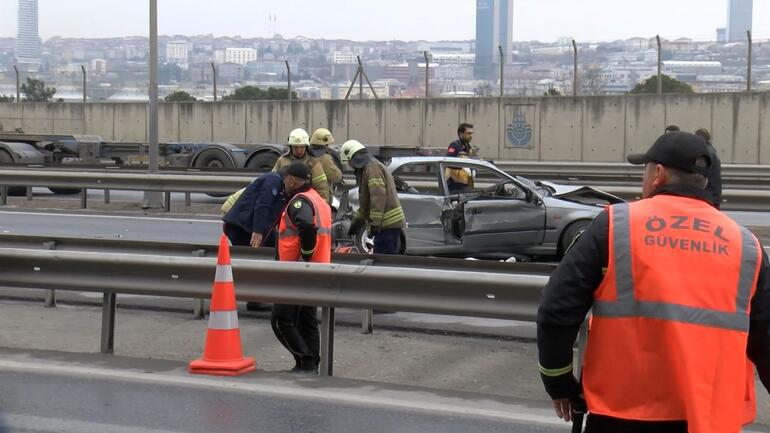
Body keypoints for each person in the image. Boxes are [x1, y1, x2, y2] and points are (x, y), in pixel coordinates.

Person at [537, 131, 770, 433]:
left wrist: (560, 383)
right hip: (711, 419)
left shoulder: (616, 225)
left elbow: (556, 309)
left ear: (657, 174)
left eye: (645, 169)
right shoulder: (746, 246)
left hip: (622, 414)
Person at [271, 161, 332, 374]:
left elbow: (306, 226)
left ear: (292, 180)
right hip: (316, 270)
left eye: (285, 179)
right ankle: (310, 364)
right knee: (307, 320)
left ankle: (305, 360)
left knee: (280, 320)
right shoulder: (319, 199)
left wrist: (305, 256)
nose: (284, 183)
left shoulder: (299, 202)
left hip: (296, 271)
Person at [339, 139, 406, 255]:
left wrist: (375, 223)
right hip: (387, 225)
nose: (350, 166)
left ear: (355, 157)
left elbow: (378, 197)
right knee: (383, 260)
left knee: (383, 262)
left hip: (387, 225)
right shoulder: (368, 169)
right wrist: (357, 222)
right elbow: (365, 203)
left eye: (349, 162)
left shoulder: (372, 169)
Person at [221, 171, 285, 248]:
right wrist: (258, 231)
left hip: (240, 220)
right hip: (240, 224)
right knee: (251, 251)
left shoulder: (275, 183)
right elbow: (263, 205)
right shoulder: (273, 181)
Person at [273, 128, 330, 203]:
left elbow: (321, 187)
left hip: (305, 202)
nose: (299, 150)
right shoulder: (282, 160)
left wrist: (322, 204)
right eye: (295, 147)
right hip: (284, 201)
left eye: (302, 147)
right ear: (291, 147)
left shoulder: (313, 163)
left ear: (306, 147)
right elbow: (273, 180)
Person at [308, 128, 343, 203]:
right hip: (321, 196)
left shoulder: (306, 154)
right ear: (326, 144)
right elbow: (336, 177)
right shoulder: (325, 158)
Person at [694, 127, 722, 209]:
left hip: (708, 196)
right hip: (713, 195)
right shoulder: (710, 150)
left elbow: (702, 174)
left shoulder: (705, 153)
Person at [445, 123, 475, 192]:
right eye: (468, 133)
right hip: (454, 185)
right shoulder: (455, 145)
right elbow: (448, 163)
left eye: (471, 133)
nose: (471, 136)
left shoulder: (468, 146)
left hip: (465, 183)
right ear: (460, 134)